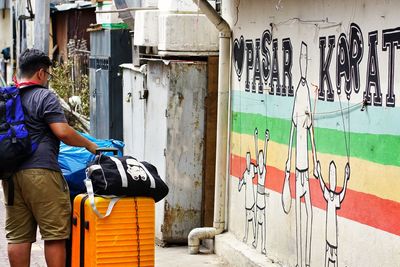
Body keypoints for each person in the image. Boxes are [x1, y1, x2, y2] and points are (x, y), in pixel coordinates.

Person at [1, 48, 97, 267]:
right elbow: (62, 131)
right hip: (42, 172)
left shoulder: (8, 99)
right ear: (41, 73)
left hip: (10, 176)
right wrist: (89, 144)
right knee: (54, 233)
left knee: (17, 235)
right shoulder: (44, 96)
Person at [283, 42, 317, 267]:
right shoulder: (298, 91)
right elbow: (292, 129)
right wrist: (287, 159)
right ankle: (299, 261)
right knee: (299, 217)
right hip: (297, 169)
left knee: (310, 214)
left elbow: (311, 129)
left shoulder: (307, 92)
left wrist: (316, 159)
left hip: (306, 169)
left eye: (306, 58)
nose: (304, 62)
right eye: (301, 58)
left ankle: (306, 262)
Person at [316, 161, 350, 267]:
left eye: (334, 174)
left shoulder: (336, 198)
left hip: (333, 232)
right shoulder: (328, 194)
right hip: (328, 230)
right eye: (331, 173)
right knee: (327, 252)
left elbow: (343, 192)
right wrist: (319, 172)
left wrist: (346, 177)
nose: (332, 177)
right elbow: (322, 185)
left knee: (334, 254)